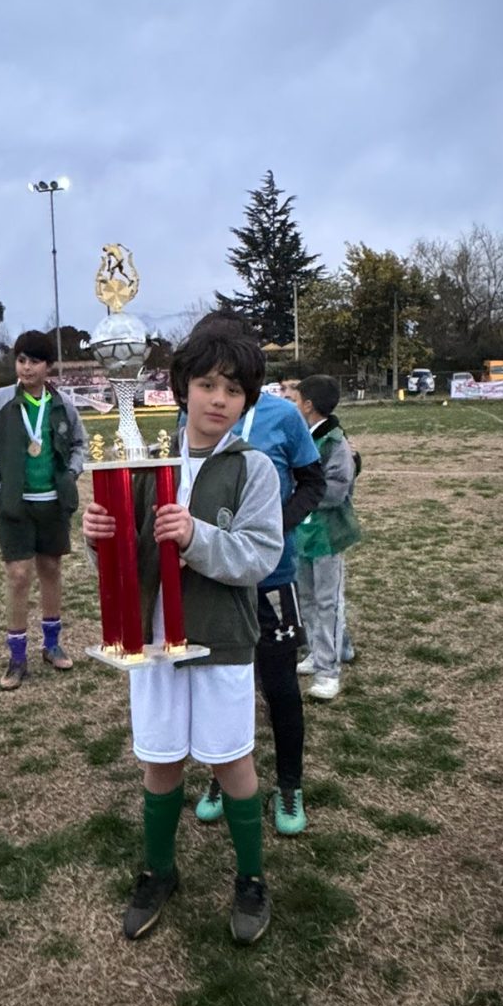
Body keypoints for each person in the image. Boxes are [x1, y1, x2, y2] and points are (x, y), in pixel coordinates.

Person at [82, 327, 283, 944]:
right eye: (206, 385)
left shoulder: (254, 469)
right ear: (181, 389)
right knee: (161, 758)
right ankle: (158, 870)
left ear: (247, 400)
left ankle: (250, 878)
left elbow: (259, 556)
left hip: (221, 640)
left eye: (232, 389)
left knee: (232, 760)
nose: (217, 399)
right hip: (153, 643)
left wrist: (197, 538)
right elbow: (124, 559)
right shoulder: (143, 458)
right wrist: (96, 538)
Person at [189, 314, 325, 837]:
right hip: (214, 580)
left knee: (279, 685)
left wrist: (277, 523)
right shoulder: (190, 418)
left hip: (269, 578)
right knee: (226, 684)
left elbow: (312, 481)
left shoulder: (282, 416)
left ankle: (289, 783)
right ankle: (223, 773)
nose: (220, 389)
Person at [0, 331, 87, 690]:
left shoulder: (61, 403)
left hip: (52, 505)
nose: (26, 367)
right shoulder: (0, 401)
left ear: (48, 366)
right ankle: (16, 656)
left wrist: (69, 475)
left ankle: (52, 645)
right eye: (21, 360)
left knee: (51, 569)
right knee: (19, 576)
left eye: (34, 361)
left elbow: (80, 443)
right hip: (14, 507)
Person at [293, 376, 361, 701]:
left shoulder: (335, 442)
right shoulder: (302, 437)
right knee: (306, 599)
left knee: (328, 602)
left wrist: (298, 494)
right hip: (302, 532)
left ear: (308, 404)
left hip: (327, 535)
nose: (295, 404)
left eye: (298, 399)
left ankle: (328, 671)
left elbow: (336, 490)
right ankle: (318, 652)